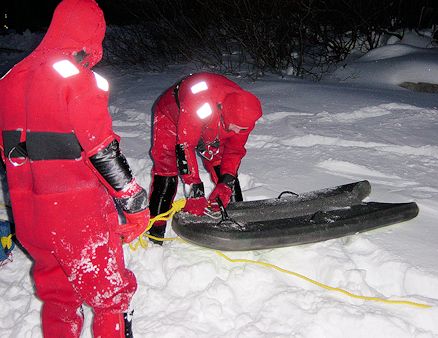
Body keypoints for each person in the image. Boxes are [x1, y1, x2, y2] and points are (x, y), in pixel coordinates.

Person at [0, 0, 149, 337]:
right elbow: (101, 150)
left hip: (30, 217)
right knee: (110, 298)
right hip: (77, 217)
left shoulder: (8, 80)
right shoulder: (77, 79)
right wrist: (135, 203)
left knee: (59, 299)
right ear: (92, 34)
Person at [148, 72, 262, 241]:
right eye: (236, 127)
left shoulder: (244, 114)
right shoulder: (199, 104)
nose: (238, 132)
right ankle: (155, 233)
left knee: (222, 168)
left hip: (213, 123)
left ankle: (237, 222)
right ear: (225, 114)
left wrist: (226, 183)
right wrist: (195, 191)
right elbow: (185, 147)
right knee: (167, 169)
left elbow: (234, 151)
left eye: (243, 129)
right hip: (173, 114)